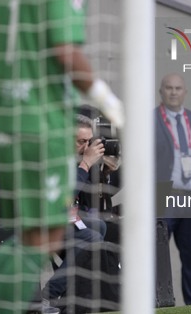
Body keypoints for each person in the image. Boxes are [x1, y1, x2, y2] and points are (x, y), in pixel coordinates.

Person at [0, 0, 124, 311]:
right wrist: (109, 101)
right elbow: (66, 52)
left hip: (8, 124)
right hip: (44, 123)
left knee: (31, 234)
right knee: (47, 233)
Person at [43, 113, 120, 313]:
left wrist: (102, 171)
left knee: (101, 226)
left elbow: (89, 198)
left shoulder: (78, 157)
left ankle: (79, 297)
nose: (86, 147)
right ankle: (48, 295)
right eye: (81, 142)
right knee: (91, 236)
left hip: (66, 220)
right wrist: (85, 164)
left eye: (89, 141)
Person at [155, 74, 191, 305]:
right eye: (169, 88)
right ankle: (158, 302)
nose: (173, 92)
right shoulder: (150, 120)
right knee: (157, 254)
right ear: (161, 92)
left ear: (185, 92)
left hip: (190, 196)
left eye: (178, 88)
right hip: (163, 194)